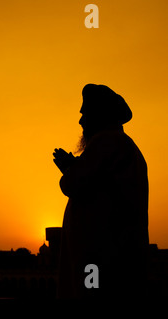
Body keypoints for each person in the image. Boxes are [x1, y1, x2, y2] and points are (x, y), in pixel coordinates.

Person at [53, 84, 149, 299]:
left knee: (92, 298)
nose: (81, 121)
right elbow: (97, 185)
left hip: (99, 258)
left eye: (85, 114)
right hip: (111, 257)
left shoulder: (107, 141)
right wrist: (73, 166)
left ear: (98, 115)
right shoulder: (121, 146)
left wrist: (70, 169)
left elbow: (72, 183)